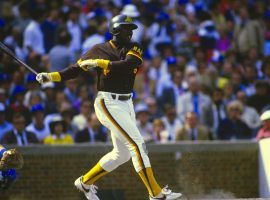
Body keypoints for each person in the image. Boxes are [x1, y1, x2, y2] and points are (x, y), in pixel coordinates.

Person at [36, 14, 182, 200]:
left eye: (131, 29)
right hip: (108, 102)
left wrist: (99, 63)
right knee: (137, 145)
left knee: (122, 154)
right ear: (115, 30)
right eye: (126, 28)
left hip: (127, 102)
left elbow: (129, 65)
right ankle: (156, 194)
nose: (130, 32)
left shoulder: (134, 47)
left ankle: (85, 182)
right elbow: (74, 70)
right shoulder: (98, 49)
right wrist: (50, 76)